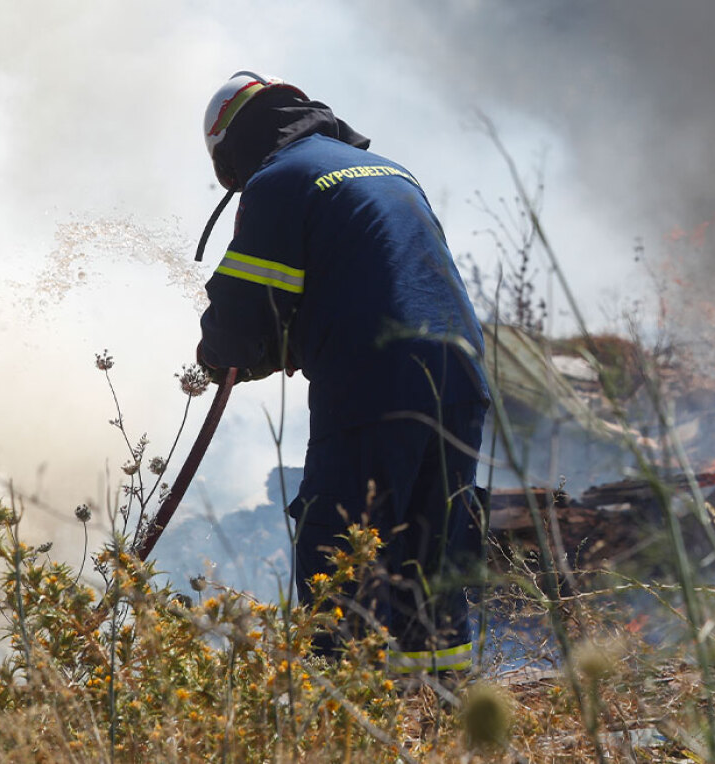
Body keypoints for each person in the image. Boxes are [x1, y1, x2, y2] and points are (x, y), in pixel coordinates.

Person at [195, 71, 489, 678]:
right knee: (429, 556)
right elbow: (365, 279)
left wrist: (217, 356)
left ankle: (341, 706)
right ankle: (443, 705)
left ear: (233, 149)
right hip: (461, 374)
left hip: (376, 382)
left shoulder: (279, 180)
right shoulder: (390, 171)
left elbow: (243, 317)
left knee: (341, 549)